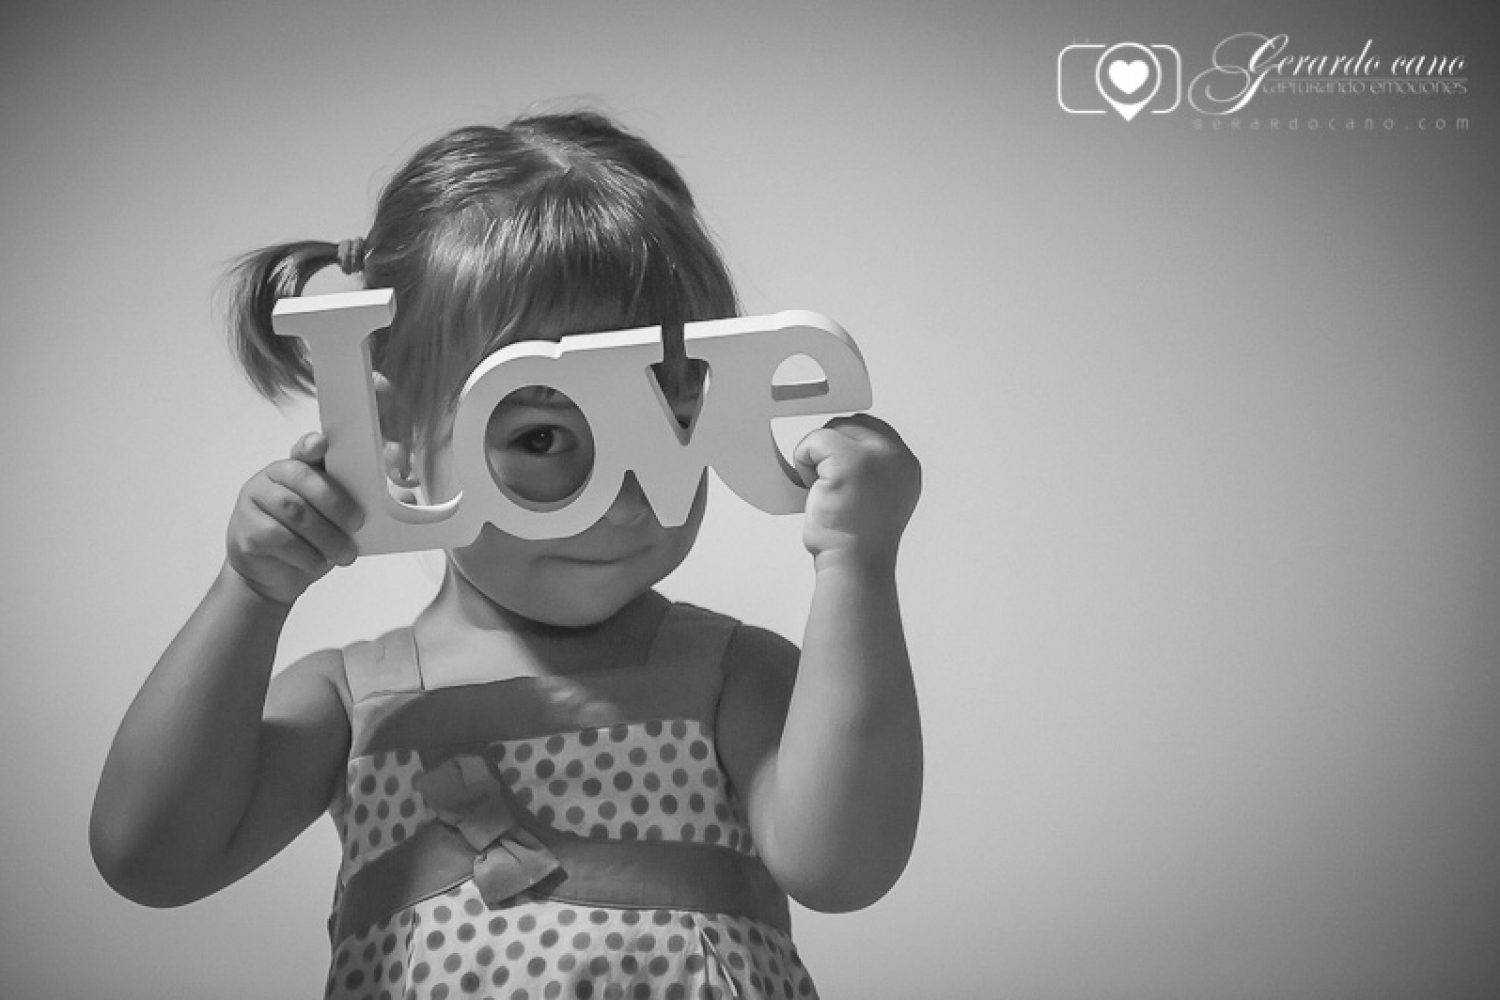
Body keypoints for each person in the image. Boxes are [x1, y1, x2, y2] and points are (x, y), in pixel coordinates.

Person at [90, 110, 922, 1000]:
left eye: (673, 421)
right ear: (396, 440)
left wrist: (856, 567)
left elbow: (843, 868)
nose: (625, 490)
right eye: (540, 436)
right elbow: (150, 857)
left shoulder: (727, 677)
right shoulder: (359, 703)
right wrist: (248, 591)